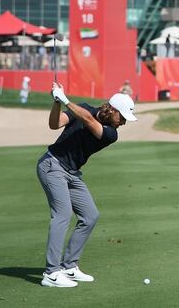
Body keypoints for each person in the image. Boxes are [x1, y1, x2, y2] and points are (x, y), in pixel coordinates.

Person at [38, 82, 137, 288]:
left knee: (90, 216)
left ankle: (69, 266)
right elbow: (54, 124)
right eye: (123, 118)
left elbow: (89, 120)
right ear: (112, 110)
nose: (124, 123)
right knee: (62, 215)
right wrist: (57, 102)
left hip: (72, 173)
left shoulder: (111, 133)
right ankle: (51, 273)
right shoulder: (83, 108)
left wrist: (65, 99)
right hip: (52, 165)